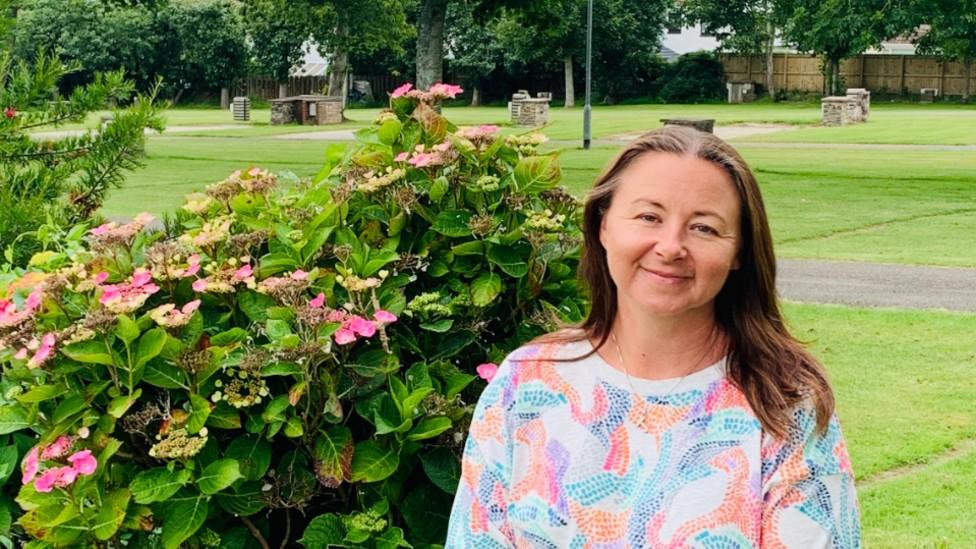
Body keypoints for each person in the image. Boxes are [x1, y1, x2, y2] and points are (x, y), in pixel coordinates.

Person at [446, 126, 860, 548]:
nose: (670, 246)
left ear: (738, 252)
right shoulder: (526, 384)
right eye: (649, 217)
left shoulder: (782, 403)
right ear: (603, 224)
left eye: (704, 228)